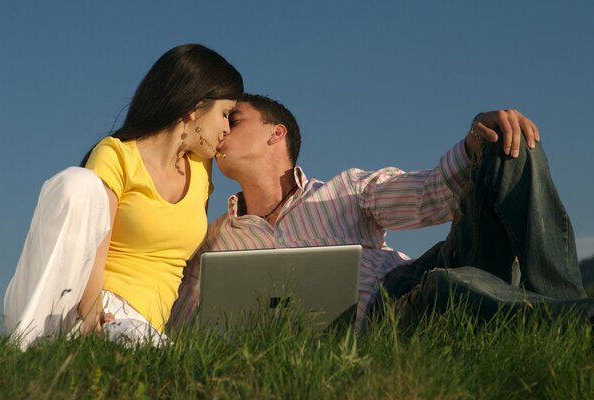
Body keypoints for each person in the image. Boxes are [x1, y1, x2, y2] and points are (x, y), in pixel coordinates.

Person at [169, 93, 592, 332]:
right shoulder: (217, 242)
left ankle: (566, 306)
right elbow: (182, 330)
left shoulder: (346, 190)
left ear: (274, 134)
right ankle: (574, 322)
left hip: (409, 276)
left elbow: (434, 195)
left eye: (233, 119)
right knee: (448, 287)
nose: (222, 130)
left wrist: (473, 141)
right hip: (387, 318)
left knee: (504, 139)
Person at [4, 44, 243, 349]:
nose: (226, 129)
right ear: (195, 107)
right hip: (83, 307)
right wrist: (92, 312)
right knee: (78, 183)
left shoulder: (200, 169)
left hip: (142, 324)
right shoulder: (116, 155)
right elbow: (92, 245)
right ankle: (29, 344)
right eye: (225, 115)